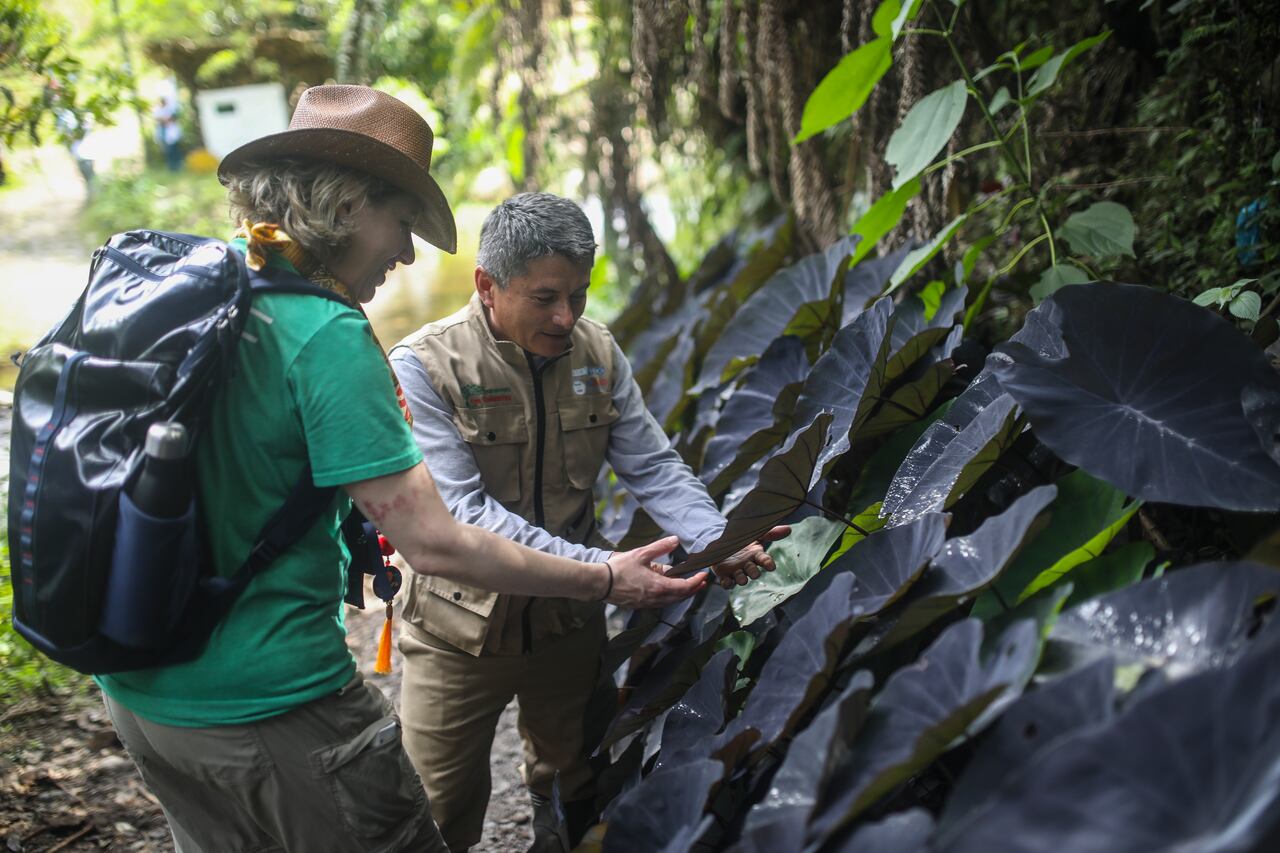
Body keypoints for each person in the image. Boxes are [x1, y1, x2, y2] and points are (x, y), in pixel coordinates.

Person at [94, 86, 706, 853]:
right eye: (402, 223)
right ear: (349, 207)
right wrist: (608, 577)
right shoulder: (326, 334)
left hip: (140, 685)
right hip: (267, 697)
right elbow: (437, 540)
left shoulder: (200, 288)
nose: (408, 253)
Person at [390, 192, 786, 853]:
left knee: (574, 778)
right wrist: (603, 572)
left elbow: (652, 464)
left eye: (579, 294)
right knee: (437, 802)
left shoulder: (598, 352)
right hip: (457, 627)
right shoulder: (425, 365)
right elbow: (464, 513)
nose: (566, 316)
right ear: (487, 286)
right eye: (545, 297)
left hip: (567, 623)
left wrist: (718, 539)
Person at [153, 93, 183, 171]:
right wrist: (164, 119)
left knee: (174, 149)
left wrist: (166, 119)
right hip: (164, 132)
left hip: (172, 133)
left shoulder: (171, 109)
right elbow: (157, 119)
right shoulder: (158, 110)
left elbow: (173, 117)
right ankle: (171, 167)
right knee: (167, 150)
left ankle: (177, 166)